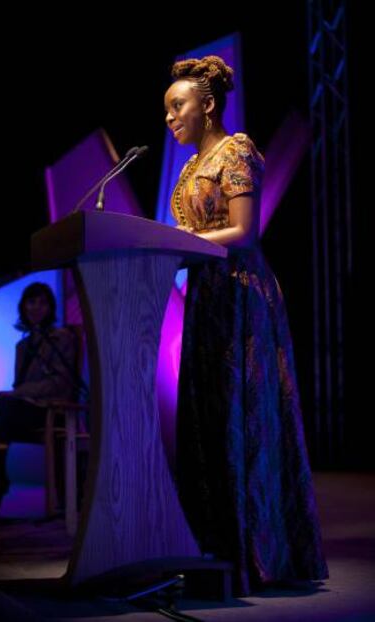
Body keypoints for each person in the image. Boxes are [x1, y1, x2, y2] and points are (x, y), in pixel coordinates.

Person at [164, 55, 329, 595]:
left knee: (247, 419)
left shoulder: (236, 151)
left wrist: (177, 245)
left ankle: (261, 554)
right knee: (207, 421)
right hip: (207, 298)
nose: (170, 118)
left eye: (177, 106)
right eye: (167, 109)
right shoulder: (188, 170)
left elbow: (243, 231)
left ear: (207, 105)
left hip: (242, 297)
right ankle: (214, 550)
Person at [0, 282, 79, 516]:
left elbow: (61, 384)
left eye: (42, 302)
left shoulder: (62, 339)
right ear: (23, 307)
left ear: (50, 307)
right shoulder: (22, 345)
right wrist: (17, 394)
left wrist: (17, 394)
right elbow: (21, 386)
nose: (36, 307)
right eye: (31, 301)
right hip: (28, 410)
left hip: (52, 410)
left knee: (2, 407)